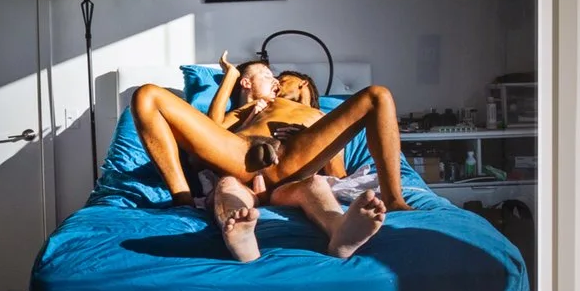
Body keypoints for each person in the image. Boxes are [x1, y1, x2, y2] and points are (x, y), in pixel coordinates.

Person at [128, 52, 404, 263]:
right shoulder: (251, 108)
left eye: (281, 80)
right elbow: (209, 135)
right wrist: (240, 96)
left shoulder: (322, 118)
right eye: (271, 77)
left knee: (377, 96)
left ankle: (349, 226)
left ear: (304, 84)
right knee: (148, 96)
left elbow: (336, 174)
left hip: (295, 171)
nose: (276, 82)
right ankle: (233, 232)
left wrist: (309, 135)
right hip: (243, 160)